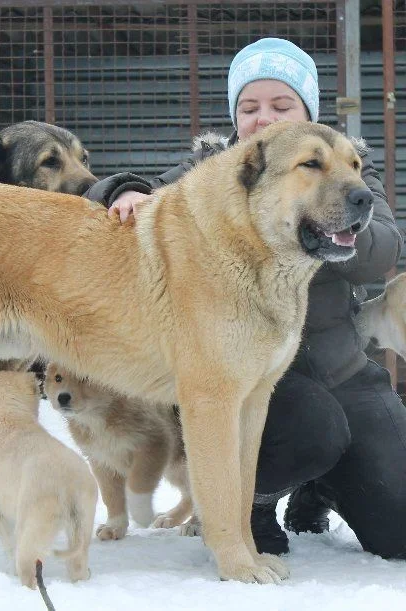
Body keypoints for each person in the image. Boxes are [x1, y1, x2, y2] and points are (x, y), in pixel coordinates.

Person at [83, 37, 406, 558]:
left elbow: (381, 253)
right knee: (313, 428)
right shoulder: (222, 171)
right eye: (249, 107)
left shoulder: (342, 172)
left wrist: (333, 214)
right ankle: (249, 503)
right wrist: (122, 188)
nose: (265, 118)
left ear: (309, 112)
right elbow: (140, 191)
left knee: (399, 527)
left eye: (283, 105)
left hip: (340, 368)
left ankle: (319, 488)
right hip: (253, 380)